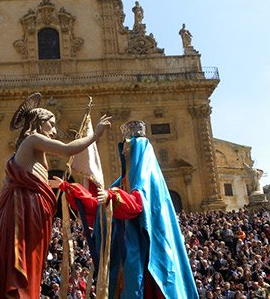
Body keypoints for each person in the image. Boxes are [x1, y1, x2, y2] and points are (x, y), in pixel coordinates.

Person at [0, 93, 111, 298]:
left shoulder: (35, 148)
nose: (54, 130)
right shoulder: (33, 140)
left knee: (33, 260)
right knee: (26, 257)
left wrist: (63, 186)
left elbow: (36, 179)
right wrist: (95, 135)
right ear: (39, 122)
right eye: (52, 124)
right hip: (25, 211)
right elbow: (66, 150)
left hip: (33, 209)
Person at [56, 120, 198, 298]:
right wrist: (70, 188)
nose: (124, 150)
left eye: (128, 147)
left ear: (139, 150)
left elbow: (138, 205)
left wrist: (113, 196)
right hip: (124, 248)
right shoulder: (121, 182)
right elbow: (99, 205)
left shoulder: (146, 178)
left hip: (144, 247)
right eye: (123, 146)